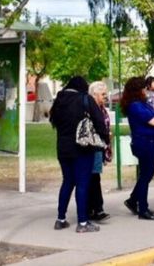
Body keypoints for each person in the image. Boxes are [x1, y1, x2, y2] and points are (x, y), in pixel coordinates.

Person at [50, 76, 109, 233]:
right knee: (83, 183)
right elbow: (99, 121)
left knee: (67, 182)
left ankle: (60, 219)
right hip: (82, 148)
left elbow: (53, 121)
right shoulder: (85, 99)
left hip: (63, 148)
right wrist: (104, 139)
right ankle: (82, 222)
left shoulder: (59, 100)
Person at [121, 77, 154, 220]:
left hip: (150, 142)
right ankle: (143, 208)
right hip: (144, 143)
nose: (145, 91)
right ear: (137, 91)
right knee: (146, 176)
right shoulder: (135, 106)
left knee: (146, 175)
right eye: (143, 89)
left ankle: (132, 200)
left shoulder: (142, 104)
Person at [87, 81, 112, 222]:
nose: (105, 96)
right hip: (93, 146)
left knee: (95, 177)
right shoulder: (91, 108)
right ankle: (96, 209)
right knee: (93, 177)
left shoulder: (101, 108)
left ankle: (95, 208)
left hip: (100, 146)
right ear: (94, 94)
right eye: (103, 94)